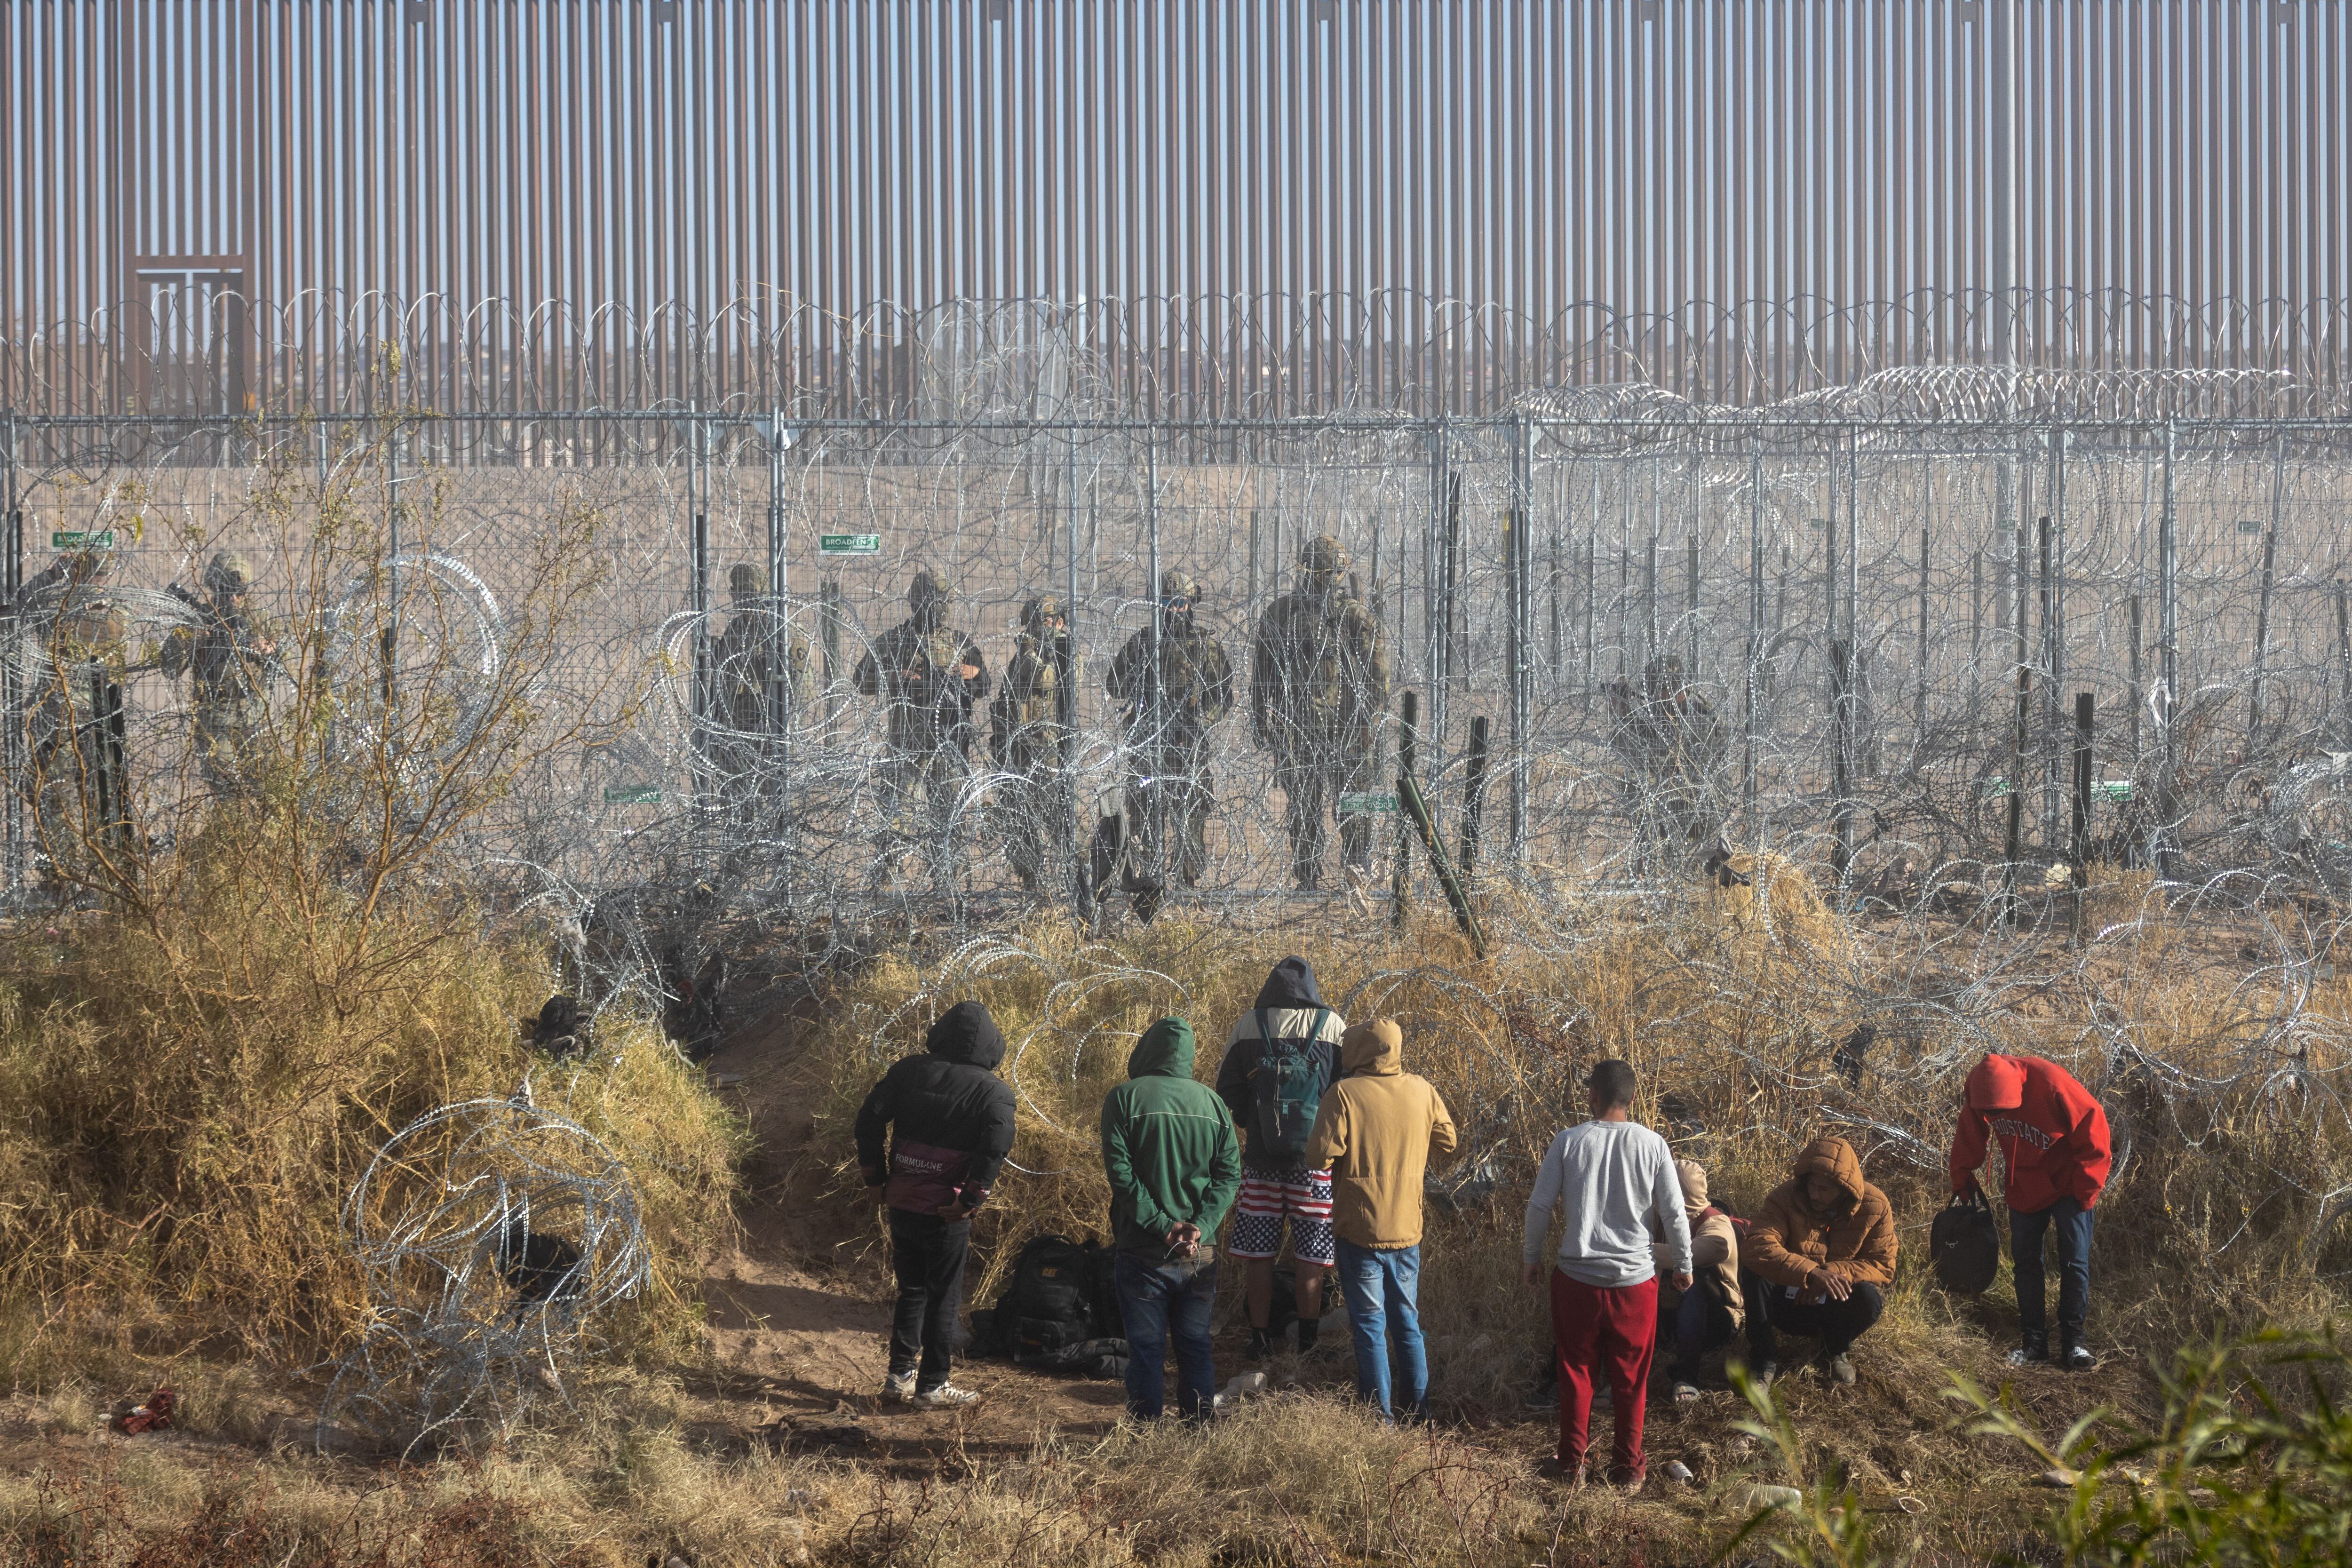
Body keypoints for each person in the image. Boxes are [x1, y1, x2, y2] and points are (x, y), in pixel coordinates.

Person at [1521, 1059, 1692, 1490]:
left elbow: (1540, 1205)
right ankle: (1628, 1469)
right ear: (1632, 1098)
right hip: (1634, 1284)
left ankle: (1571, 1464)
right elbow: (1674, 1211)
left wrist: (1532, 1256)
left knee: (1575, 1371)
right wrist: (1685, 1263)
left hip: (1576, 1278)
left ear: (1593, 1095)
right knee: (1631, 1379)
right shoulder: (1652, 1144)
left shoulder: (1569, 1141)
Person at [852, 999, 1017, 1410]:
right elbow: (995, 1147)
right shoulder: (995, 1091)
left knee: (912, 1288)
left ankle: (899, 1375)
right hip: (947, 1209)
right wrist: (972, 1199)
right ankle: (933, 1385)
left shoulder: (909, 1070)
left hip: (903, 1199)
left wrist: (874, 1177)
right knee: (944, 1295)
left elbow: (868, 1120)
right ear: (991, 1044)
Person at [1304, 1017, 1457, 1421]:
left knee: (1370, 1327)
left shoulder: (1344, 1094)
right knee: (1407, 1322)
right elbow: (1449, 1140)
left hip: (1359, 1230)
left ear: (1358, 1050)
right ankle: (1418, 1413)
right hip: (1407, 1228)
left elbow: (1318, 1157)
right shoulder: (1422, 1090)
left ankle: (1380, 1420)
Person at [1100, 1015, 1242, 1422]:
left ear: (1146, 1048)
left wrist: (1164, 1227)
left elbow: (1121, 1176)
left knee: (1145, 1346)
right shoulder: (1213, 1104)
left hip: (1142, 1249)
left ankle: (1145, 1428)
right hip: (1201, 1251)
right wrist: (1201, 1224)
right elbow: (1229, 1174)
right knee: (1195, 1342)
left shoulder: (1124, 1098)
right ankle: (1199, 1425)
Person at [1214, 955, 1347, 1360]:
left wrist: (1254, 1125)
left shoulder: (1249, 1023)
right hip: (1315, 1165)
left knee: (1259, 1254)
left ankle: (1259, 1338)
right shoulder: (1334, 1026)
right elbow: (1347, 1094)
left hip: (1261, 1163)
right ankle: (1307, 1341)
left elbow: (1229, 1090)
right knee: (1312, 1255)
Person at [1948, 1051, 2113, 1371]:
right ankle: (2034, 1343)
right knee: (2025, 1262)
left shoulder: (2051, 1082)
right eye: (1990, 1112)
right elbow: (1970, 1130)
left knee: (2074, 1260)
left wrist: (2087, 1189)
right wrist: (1962, 1173)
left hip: (2069, 1182)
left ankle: (2074, 1343)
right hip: (2024, 1182)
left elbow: (2095, 1129)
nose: (1995, 1117)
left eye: (2000, 1111)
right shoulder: (1978, 1086)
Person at [1250, 535, 1390, 891]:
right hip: (1301, 730)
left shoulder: (1354, 617)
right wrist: (1262, 719)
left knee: (1354, 806)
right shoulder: (1282, 615)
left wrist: (1366, 722)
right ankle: (1309, 878)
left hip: (1345, 730)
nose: (1326, 580)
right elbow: (1263, 674)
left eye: (1330, 573)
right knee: (1304, 809)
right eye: (1322, 572)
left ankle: (1355, 873)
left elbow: (1379, 679)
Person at [852, 569, 990, 890]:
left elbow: (985, 684)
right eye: (937, 601)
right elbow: (861, 680)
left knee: (948, 822)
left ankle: (948, 889)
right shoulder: (896, 641)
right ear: (920, 603)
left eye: (946, 601)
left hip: (947, 746)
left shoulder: (959, 643)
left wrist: (972, 673)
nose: (943, 607)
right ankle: (884, 889)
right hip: (907, 745)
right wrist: (894, 677)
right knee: (896, 820)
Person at [1106, 570, 1234, 891]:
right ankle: (1150, 882)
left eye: (1180, 603)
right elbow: (1114, 684)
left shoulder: (1205, 646)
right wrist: (1138, 678)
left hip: (1189, 746)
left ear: (1191, 604)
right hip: (1148, 744)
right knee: (1146, 812)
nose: (1175, 610)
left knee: (1190, 813)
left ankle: (1187, 882)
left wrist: (1200, 719)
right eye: (1167, 603)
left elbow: (1224, 696)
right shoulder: (1142, 642)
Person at [1743, 1136, 1897, 1387]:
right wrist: (1809, 1273)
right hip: (1787, 1299)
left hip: (1834, 1303)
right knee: (1755, 1273)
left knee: (1870, 1298)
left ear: (1845, 1188)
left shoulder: (1875, 1206)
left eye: (1824, 1189)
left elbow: (1883, 1264)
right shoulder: (1785, 1197)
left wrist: (1830, 1275)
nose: (1815, 1194)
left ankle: (1834, 1349)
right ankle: (1763, 1358)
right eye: (1812, 1185)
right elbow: (1757, 1245)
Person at [19, 548, 130, 874]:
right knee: (52, 799)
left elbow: (105, 630)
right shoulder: (55, 604)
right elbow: (21, 602)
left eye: (102, 576)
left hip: (94, 720)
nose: (98, 583)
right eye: (91, 575)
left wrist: (75, 609)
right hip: (54, 718)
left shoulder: (113, 609)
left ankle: (100, 875)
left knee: (98, 799)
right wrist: (53, 574)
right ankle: (56, 877)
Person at [160, 552, 277, 799]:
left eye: (240, 592)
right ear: (214, 588)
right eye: (227, 592)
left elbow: (288, 660)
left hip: (253, 714)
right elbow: (169, 668)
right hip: (215, 717)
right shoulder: (197, 619)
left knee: (267, 786)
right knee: (227, 791)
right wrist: (189, 640)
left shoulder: (260, 620)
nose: (234, 599)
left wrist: (270, 647)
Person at [707, 563, 811, 819]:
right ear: (733, 595)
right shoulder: (734, 632)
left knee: (773, 812)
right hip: (734, 741)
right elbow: (721, 688)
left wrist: (775, 728)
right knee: (735, 815)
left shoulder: (782, 633)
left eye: (752, 594)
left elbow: (797, 692)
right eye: (740, 594)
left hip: (768, 740)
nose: (746, 600)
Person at [988, 594, 1075, 893]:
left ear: (1060, 623)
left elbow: (1045, 680)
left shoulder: (1062, 651)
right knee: (1019, 819)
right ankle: (1031, 885)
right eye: (1032, 623)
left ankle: (1082, 877)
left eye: (1045, 621)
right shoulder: (1022, 658)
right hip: (1017, 748)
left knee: (1058, 817)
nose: (1036, 629)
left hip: (1047, 750)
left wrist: (1029, 654)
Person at [1653, 1158, 1744, 1402]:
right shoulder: (1656, 1218)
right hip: (1666, 1320)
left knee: (1698, 1277)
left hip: (1716, 1325)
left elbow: (1698, 1253)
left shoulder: (1717, 1225)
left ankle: (1686, 1377)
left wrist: (1638, 1251)